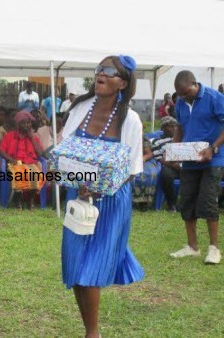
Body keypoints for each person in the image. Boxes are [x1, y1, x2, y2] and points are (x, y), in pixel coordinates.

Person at [60, 55, 144, 338]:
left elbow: (132, 169)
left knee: (89, 269)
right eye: (99, 69)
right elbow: (65, 150)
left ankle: (92, 334)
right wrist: (77, 181)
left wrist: (99, 186)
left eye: (109, 71)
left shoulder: (129, 119)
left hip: (110, 200)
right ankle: (89, 330)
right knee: (76, 268)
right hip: (79, 197)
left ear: (123, 82)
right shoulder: (81, 107)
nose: (101, 74)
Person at [169, 70, 224, 265]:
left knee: (208, 202)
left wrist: (213, 148)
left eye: (185, 92)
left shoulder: (215, 98)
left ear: (194, 84)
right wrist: (173, 151)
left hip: (212, 159)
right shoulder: (181, 102)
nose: (182, 97)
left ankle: (214, 249)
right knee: (187, 201)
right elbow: (180, 127)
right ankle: (192, 246)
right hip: (190, 159)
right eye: (179, 94)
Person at [0, 110, 44, 210]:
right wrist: (10, 159)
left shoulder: (34, 137)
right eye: (23, 123)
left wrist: (31, 138)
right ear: (18, 124)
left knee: (35, 174)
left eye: (28, 123)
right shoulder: (10, 136)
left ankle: (31, 201)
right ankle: (18, 200)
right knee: (18, 173)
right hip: (15, 163)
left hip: (30, 163)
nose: (26, 125)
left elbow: (40, 153)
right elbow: (1, 150)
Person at [151, 116, 179, 211]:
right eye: (170, 126)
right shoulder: (156, 141)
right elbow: (159, 158)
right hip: (168, 165)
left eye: (175, 126)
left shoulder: (181, 138)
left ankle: (188, 204)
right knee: (166, 175)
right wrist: (173, 165)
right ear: (163, 128)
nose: (174, 128)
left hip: (183, 164)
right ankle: (172, 204)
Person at [133, 137, 160, 210]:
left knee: (147, 173)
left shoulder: (143, 140)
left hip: (144, 160)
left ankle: (143, 201)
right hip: (125, 159)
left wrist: (142, 159)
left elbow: (149, 153)